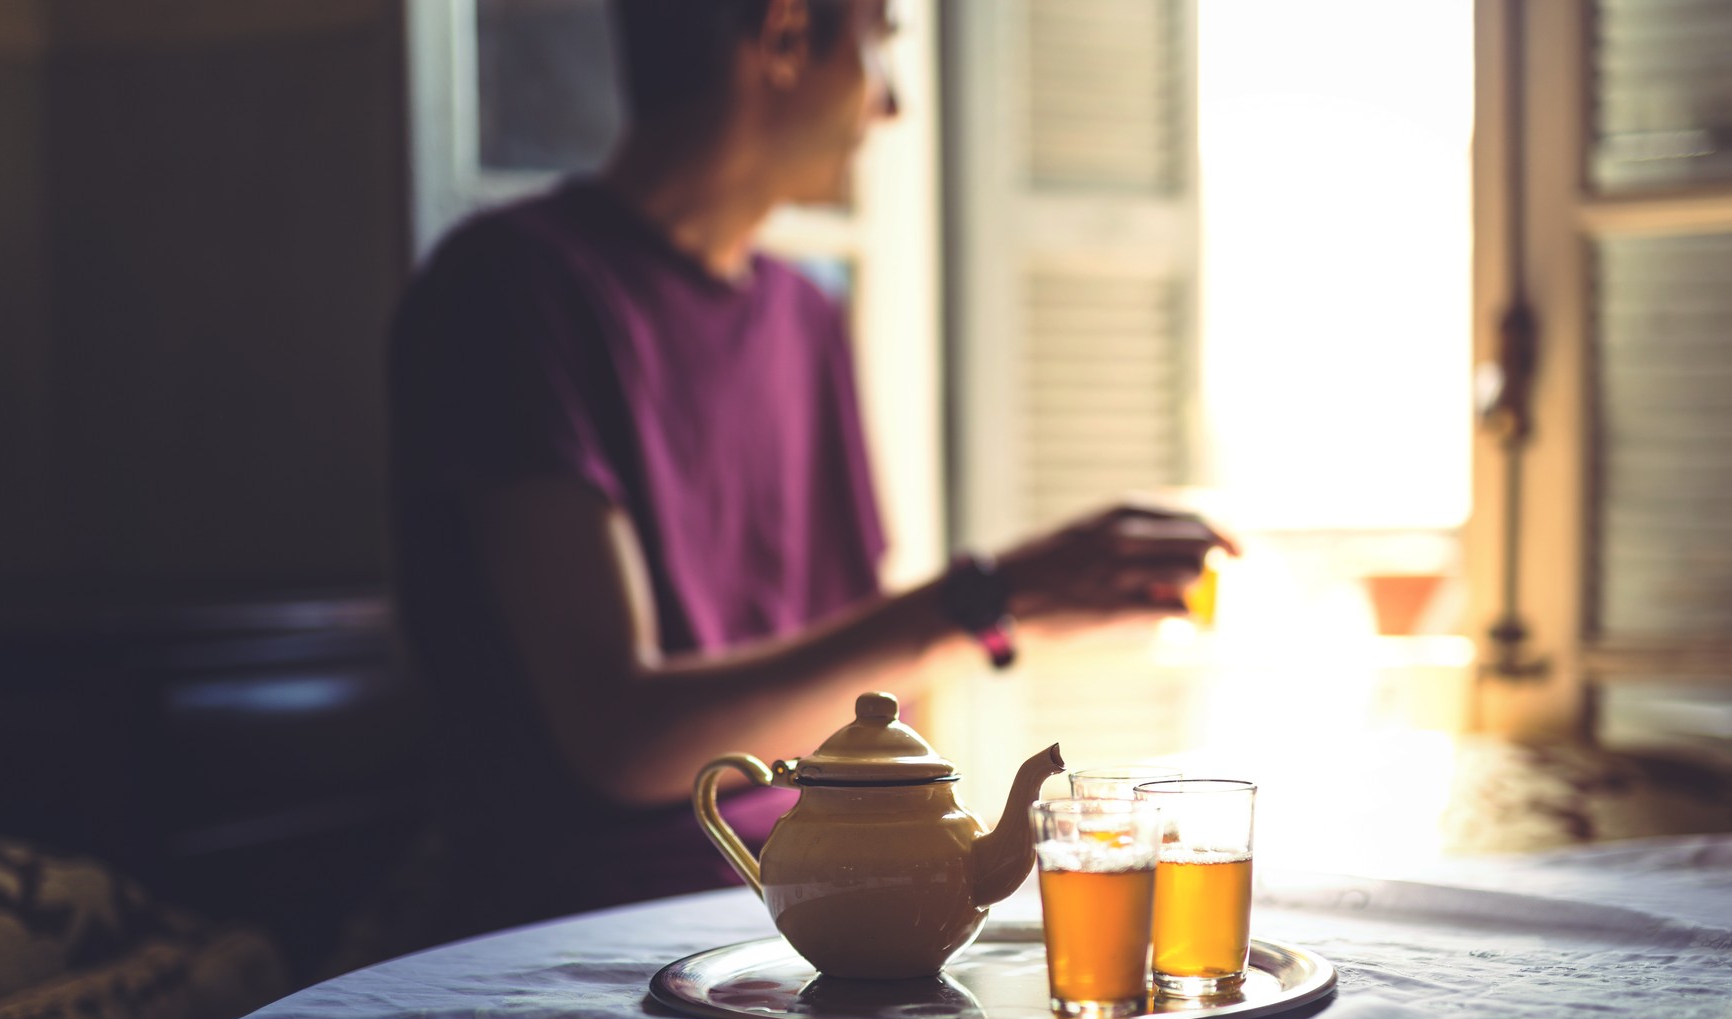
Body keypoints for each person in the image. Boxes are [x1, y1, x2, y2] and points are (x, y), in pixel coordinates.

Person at [387, 0, 1229, 941]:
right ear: (786, 38)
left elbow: (871, 693)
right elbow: (621, 739)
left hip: (820, 919)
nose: (894, 107)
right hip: (583, 932)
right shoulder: (513, 289)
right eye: (880, 50)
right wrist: (979, 599)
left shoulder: (805, 316)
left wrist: (1003, 616)